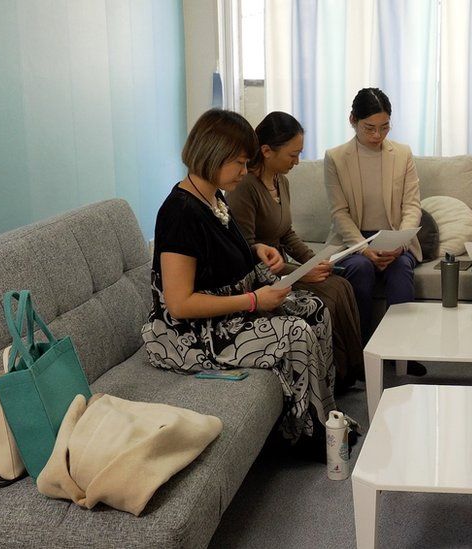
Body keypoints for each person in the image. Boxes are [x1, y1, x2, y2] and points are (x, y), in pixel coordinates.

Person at [141, 108, 337, 443]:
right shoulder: (179, 213)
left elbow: (221, 257)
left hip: (229, 315)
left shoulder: (213, 197)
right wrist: (253, 301)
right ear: (213, 155)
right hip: (193, 335)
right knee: (295, 331)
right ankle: (307, 434)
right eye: (240, 163)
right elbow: (179, 303)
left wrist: (258, 249)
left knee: (315, 309)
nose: (245, 172)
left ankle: (323, 416)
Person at [227, 111, 365, 391]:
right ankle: (335, 376)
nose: (297, 161)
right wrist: (303, 271)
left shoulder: (281, 181)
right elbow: (247, 249)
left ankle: (350, 370)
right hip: (263, 274)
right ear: (266, 151)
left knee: (341, 285)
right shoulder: (245, 188)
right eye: (292, 155)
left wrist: (315, 259)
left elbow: (286, 234)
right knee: (330, 292)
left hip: (285, 267)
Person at [323, 88, 425, 375]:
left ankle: (402, 351)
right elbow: (339, 212)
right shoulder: (335, 158)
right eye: (369, 128)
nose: (377, 135)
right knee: (360, 269)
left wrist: (399, 243)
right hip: (353, 240)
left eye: (384, 127)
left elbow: (412, 206)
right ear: (353, 120)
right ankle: (361, 353)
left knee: (401, 269)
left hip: (393, 236)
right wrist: (364, 249)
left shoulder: (402, 154)